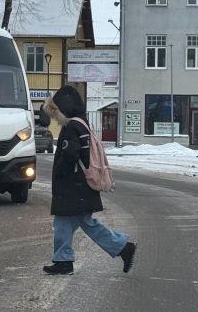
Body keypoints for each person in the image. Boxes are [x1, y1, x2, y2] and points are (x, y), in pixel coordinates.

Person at [41, 85, 136, 275]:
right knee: (74, 223)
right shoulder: (82, 123)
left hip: (73, 187)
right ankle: (65, 260)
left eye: (55, 111)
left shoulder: (71, 127)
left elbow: (70, 154)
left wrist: (60, 172)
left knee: (71, 223)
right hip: (80, 187)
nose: (55, 117)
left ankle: (120, 247)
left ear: (62, 109)